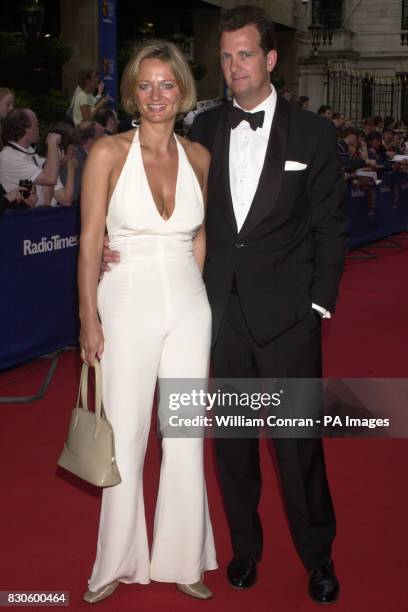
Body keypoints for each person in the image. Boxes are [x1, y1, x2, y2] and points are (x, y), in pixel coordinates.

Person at [103, 5, 346, 605]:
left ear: (270, 59)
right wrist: (117, 243)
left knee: (298, 450)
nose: (234, 65)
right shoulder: (204, 134)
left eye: (246, 54)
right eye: (227, 56)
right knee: (233, 449)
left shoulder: (313, 134)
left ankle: (318, 557)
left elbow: (330, 230)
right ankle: (243, 551)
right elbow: (176, 213)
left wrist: (317, 308)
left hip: (290, 320)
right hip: (221, 319)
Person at [78, 40, 217, 604]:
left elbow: (200, 235)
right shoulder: (108, 152)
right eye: (145, 85)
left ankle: (184, 557)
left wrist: (193, 291)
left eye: (166, 84)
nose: (156, 95)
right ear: (132, 93)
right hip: (125, 300)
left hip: (189, 305)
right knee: (126, 436)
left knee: (184, 434)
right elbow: (89, 241)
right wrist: (88, 317)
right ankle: (118, 560)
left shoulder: (199, 157)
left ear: (181, 91)